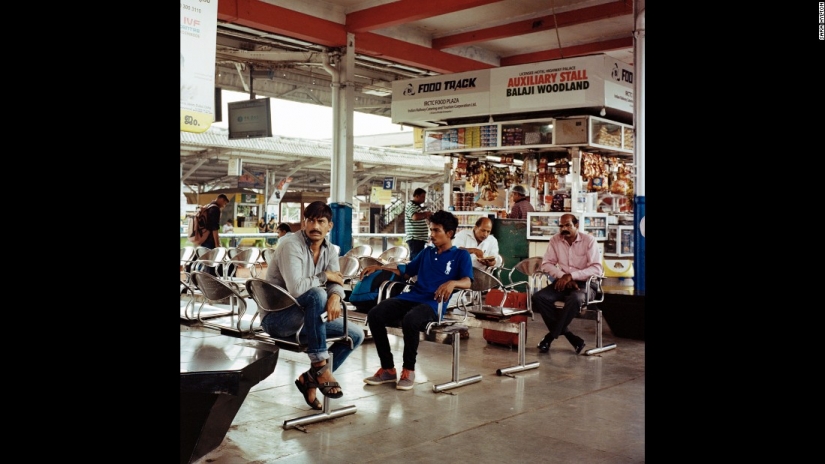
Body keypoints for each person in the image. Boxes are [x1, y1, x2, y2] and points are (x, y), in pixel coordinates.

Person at [263, 201, 365, 410]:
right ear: (303, 223)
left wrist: (336, 296)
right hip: (277, 318)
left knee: (354, 335)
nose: (315, 226)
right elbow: (297, 289)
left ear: (330, 226)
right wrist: (324, 276)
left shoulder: (330, 250)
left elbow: (336, 282)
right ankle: (320, 365)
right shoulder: (291, 244)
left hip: (306, 318)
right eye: (310, 220)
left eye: (321, 221)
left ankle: (309, 379)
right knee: (317, 293)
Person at [361, 210, 473, 391]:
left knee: (411, 320)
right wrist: (380, 267)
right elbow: (406, 270)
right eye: (431, 230)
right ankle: (388, 369)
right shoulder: (427, 252)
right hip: (412, 296)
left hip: (433, 303)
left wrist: (452, 283)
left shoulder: (460, 256)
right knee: (375, 314)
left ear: (450, 233)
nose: (432, 235)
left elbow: (468, 281)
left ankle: (408, 370)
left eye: (436, 230)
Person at [531, 213, 603, 355]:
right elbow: (546, 264)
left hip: (586, 284)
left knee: (575, 299)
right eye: (561, 226)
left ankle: (549, 338)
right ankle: (572, 338)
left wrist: (572, 276)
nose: (564, 228)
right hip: (564, 281)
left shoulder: (589, 241)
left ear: (576, 226)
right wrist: (564, 277)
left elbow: (596, 268)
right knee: (539, 297)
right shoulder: (555, 240)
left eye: (568, 225)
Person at [200, 194, 230, 275]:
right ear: (221, 199)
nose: (224, 205)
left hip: (203, 238)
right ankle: (210, 281)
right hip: (210, 240)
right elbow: (214, 228)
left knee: (205, 261)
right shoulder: (215, 209)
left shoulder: (208, 206)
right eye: (224, 203)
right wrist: (217, 243)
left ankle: (202, 280)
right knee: (211, 263)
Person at [404, 188, 432, 260]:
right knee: (415, 259)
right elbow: (415, 217)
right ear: (416, 196)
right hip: (415, 238)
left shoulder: (417, 207)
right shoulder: (411, 205)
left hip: (419, 238)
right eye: (422, 197)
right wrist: (426, 214)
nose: (424, 199)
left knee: (419, 259)